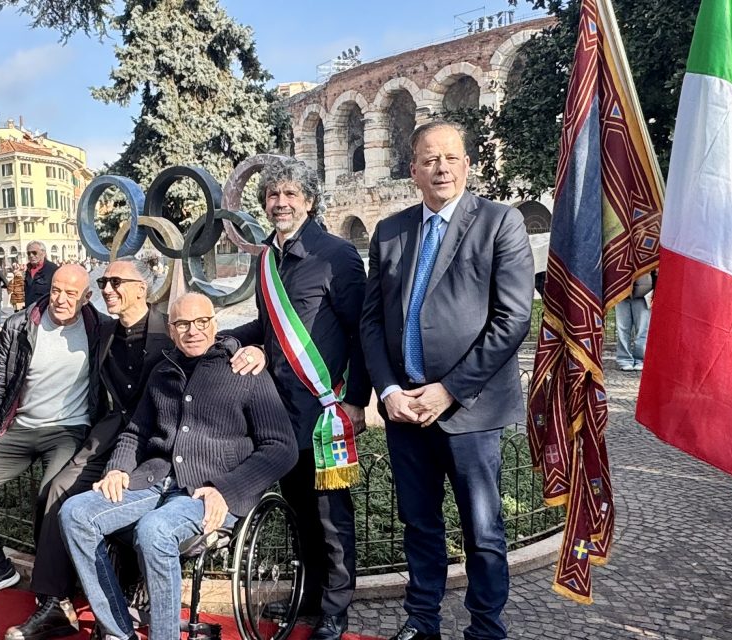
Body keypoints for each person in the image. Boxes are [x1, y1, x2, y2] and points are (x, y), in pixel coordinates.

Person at [360, 121, 533, 640]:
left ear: (467, 164)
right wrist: (388, 390)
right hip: (406, 408)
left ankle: (485, 627)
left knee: (483, 530)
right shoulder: (390, 232)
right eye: (429, 159)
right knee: (420, 525)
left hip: (469, 409)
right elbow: (372, 320)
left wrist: (450, 389)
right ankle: (422, 621)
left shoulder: (500, 223)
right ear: (412, 170)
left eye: (451, 158)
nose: (441, 168)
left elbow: (512, 319)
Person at [59, 293, 295, 640]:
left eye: (202, 322)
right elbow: (136, 432)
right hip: (154, 481)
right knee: (75, 514)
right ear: (170, 330)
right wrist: (118, 468)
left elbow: (282, 448)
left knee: (154, 531)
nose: (193, 331)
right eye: (182, 324)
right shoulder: (162, 371)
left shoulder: (243, 369)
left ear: (214, 324)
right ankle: (118, 631)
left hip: (208, 490)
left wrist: (226, 491)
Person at [224, 157, 369, 640]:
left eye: (290, 194)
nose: (280, 202)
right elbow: (268, 330)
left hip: (324, 408)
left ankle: (335, 607)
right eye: (272, 195)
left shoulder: (337, 255)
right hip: (280, 411)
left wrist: (358, 401)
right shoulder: (267, 258)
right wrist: (224, 339)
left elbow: (361, 331)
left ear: (308, 200)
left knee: (330, 515)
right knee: (300, 510)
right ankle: (308, 595)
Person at [6, 257, 170, 640]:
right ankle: (53, 603)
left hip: (158, 440)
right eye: (105, 282)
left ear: (141, 289)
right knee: (58, 489)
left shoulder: (169, 331)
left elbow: (210, 336)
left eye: (117, 283)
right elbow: (54, 319)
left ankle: (127, 591)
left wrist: (240, 346)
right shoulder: (105, 331)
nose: (108, 289)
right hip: (111, 434)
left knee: (128, 501)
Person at [0, 264, 109, 603]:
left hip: (69, 429)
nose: (61, 299)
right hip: (19, 427)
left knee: (50, 493)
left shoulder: (101, 328)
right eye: (56, 290)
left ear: (86, 297)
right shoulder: (20, 324)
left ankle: (49, 576)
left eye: (71, 293)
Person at [614, 271, 654, 371]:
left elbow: (656, 270)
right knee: (622, 329)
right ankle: (624, 360)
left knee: (643, 329)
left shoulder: (647, 254)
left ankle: (640, 359)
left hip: (644, 294)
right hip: (621, 293)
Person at [24, 241, 59, 307]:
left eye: (34, 253)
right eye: (28, 253)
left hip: (45, 309)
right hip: (29, 309)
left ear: (43, 253)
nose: (31, 255)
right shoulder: (28, 270)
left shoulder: (53, 269)